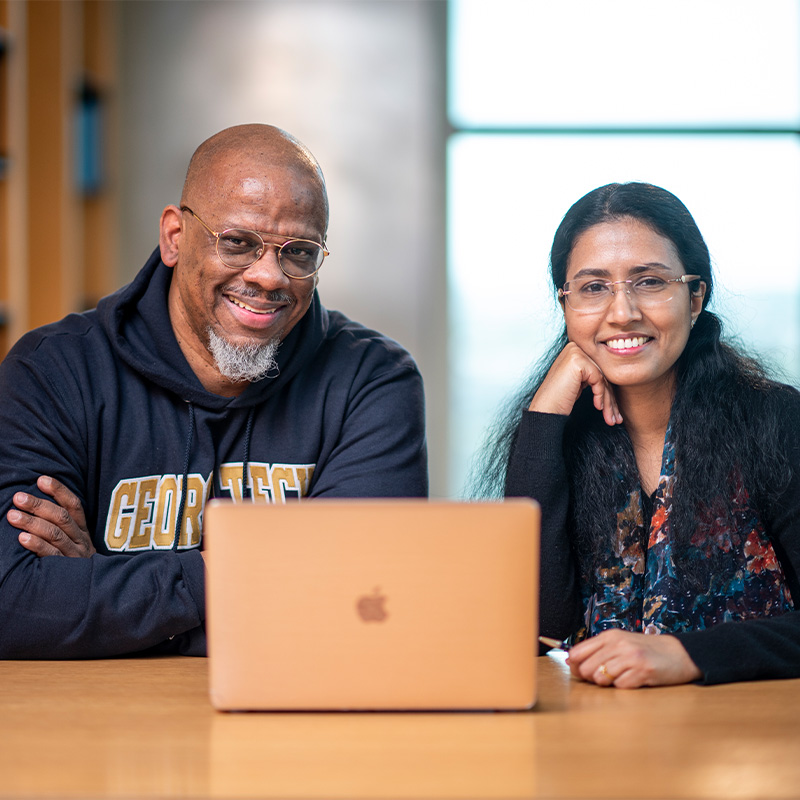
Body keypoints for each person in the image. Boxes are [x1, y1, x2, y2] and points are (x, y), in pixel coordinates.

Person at [0, 123, 428, 658]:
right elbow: (12, 603)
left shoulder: (372, 379)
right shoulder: (55, 371)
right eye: (239, 243)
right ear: (175, 237)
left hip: (293, 728)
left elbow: (363, 612)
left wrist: (98, 586)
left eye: (298, 253)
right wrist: (268, 576)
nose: (270, 276)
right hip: (102, 729)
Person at [471, 182, 800, 687]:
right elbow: (535, 632)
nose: (622, 312)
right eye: (593, 288)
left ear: (695, 298)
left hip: (752, 743)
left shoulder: (776, 420)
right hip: (595, 740)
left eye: (648, 282)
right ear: (565, 305)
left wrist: (686, 655)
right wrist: (543, 418)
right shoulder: (558, 436)